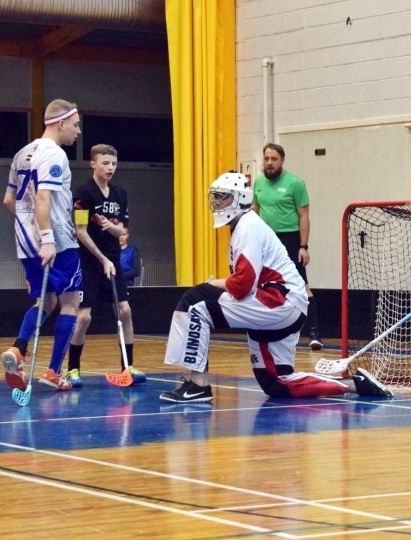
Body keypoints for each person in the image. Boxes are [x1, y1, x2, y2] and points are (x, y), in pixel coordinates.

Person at [160, 172, 392, 403]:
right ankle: (355, 384)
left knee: (195, 301)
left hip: (280, 302)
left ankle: (198, 385)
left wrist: (211, 283)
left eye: (224, 197)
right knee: (276, 383)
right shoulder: (245, 225)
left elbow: (242, 286)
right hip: (285, 304)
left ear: (240, 199)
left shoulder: (248, 227)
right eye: (217, 196)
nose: (218, 202)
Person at [0, 99, 84, 393]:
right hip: (58, 241)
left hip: (25, 242)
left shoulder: (22, 153)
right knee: (71, 303)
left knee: (45, 302)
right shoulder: (54, 154)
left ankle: (18, 349)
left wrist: (33, 233)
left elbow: (10, 201)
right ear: (61, 123)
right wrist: (48, 239)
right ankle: (53, 371)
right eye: (75, 126)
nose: (78, 132)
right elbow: (43, 199)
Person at [65, 144, 145, 387]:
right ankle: (72, 369)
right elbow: (80, 232)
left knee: (125, 311)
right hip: (89, 262)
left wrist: (110, 227)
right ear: (93, 164)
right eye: (105, 163)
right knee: (84, 318)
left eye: (113, 163)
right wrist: (103, 259)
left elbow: (122, 229)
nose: (110, 168)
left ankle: (127, 366)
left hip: (113, 262)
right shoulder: (83, 194)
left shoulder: (120, 194)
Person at [252, 143, 324, 349]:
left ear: (282, 160)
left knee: (302, 285)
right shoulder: (258, 183)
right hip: (267, 241)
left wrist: (303, 246)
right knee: (264, 284)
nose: (269, 163)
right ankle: (268, 330)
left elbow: (304, 216)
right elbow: (255, 214)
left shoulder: (295, 183)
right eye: (266, 159)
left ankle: (314, 333)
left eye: (274, 159)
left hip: (290, 240)